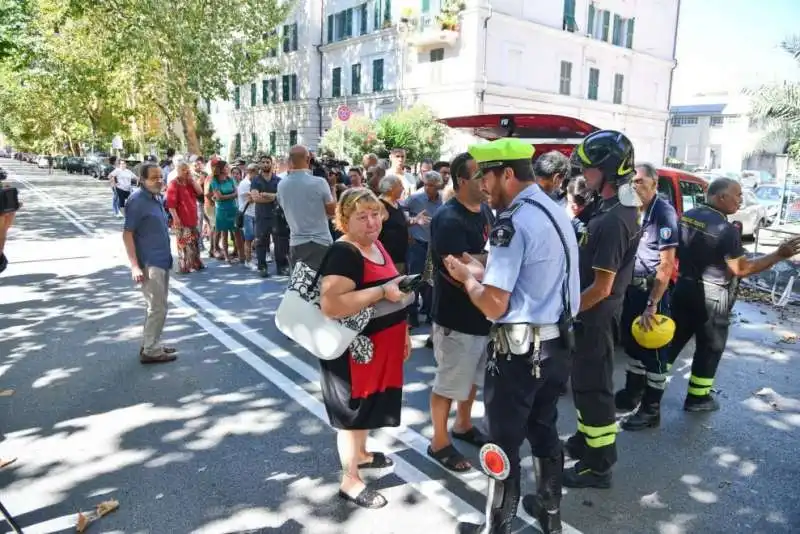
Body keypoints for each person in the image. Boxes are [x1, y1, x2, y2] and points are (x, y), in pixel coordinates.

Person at [444, 139, 579, 534]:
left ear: (505, 173)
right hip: (556, 347)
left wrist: (467, 278)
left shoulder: (512, 222)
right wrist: (483, 266)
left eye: (486, 176)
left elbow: (493, 306)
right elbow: (534, 277)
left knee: (502, 444)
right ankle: (551, 519)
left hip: (519, 355)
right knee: (544, 429)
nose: (482, 187)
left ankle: (497, 528)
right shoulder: (553, 210)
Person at [667, 178, 800, 412]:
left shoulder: (688, 215)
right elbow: (741, 269)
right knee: (710, 348)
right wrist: (779, 254)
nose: (740, 200)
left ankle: (647, 393)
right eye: (737, 195)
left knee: (672, 342)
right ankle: (698, 398)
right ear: (721, 197)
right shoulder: (725, 230)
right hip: (713, 296)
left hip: (684, 288)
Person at [318, 188, 413, 509]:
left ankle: (361, 454)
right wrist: (380, 293)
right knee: (352, 415)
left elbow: (393, 289)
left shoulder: (375, 245)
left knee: (368, 408)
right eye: (362, 216)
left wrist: (404, 333)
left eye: (375, 214)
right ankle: (350, 480)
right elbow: (331, 304)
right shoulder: (344, 253)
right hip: (354, 351)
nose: (372, 222)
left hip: (379, 346)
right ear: (345, 220)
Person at [563, 130, 642, 489]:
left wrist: (569, 310)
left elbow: (602, 287)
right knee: (583, 384)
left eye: (590, 168)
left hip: (594, 314)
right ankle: (585, 440)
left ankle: (599, 465)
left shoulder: (614, 219)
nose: (584, 174)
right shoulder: (605, 206)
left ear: (609, 170)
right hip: (589, 313)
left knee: (595, 388)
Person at [427, 152, 494, 473]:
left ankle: (463, 425)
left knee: (472, 379)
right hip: (456, 317)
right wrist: (483, 263)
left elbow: (482, 262)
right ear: (462, 180)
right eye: (480, 175)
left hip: (483, 314)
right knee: (449, 382)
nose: (487, 181)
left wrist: (480, 261)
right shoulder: (447, 218)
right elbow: (457, 269)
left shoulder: (487, 211)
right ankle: (439, 442)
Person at [613, 163, 679, 430]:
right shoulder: (631, 210)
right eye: (632, 181)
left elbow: (666, 264)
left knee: (653, 351)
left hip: (654, 292)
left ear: (654, 183)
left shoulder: (663, 213)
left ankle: (651, 410)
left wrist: (652, 304)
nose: (635, 185)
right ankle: (632, 394)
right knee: (633, 345)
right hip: (632, 289)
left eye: (640, 181)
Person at [122, 163, 178, 364]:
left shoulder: (155, 198)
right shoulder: (137, 201)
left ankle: (150, 343)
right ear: (142, 180)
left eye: (160, 176)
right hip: (149, 262)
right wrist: (134, 265)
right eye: (154, 177)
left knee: (156, 307)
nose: (159, 180)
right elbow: (127, 234)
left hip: (162, 259)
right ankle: (151, 350)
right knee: (157, 307)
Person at [277, 145, 337, 270]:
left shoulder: (282, 185)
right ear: (308, 159)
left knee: (300, 286)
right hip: (320, 242)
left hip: (296, 242)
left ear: (290, 160)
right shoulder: (319, 183)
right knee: (321, 284)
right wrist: (333, 188)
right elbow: (332, 211)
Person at [403, 171, 441, 327]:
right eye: (426, 184)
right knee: (413, 279)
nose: (428, 188)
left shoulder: (443, 201)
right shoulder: (415, 198)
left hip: (433, 244)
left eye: (431, 185)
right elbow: (402, 213)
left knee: (431, 280)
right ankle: (411, 315)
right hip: (417, 243)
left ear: (438, 186)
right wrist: (410, 227)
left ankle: (429, 312)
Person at [165, 162, 205, 273]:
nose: (186, 171)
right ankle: (184, 265)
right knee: (183, 242)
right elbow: (171, 204)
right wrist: (175, 218)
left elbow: (200, 192)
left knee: (194, 240)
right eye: (183, 169)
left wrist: (192, 179)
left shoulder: (190, 182)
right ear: (178, 171)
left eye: (187, 169)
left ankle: (196, 262)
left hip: (192, 217)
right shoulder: (173, 184)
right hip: (181, 219)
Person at [208, 160, 240, 263]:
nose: (228, 168)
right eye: (226, 167)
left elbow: (236, 193)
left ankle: (238, 253)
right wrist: (230, 196)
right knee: (224, 233)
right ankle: (226, 256)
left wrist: (223, 197)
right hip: (221, 210)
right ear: (221, 169)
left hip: (233, 208)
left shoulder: (230, 179)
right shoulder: (214, 181)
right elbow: (219, 197)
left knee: (236, 232)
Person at [377, 175, 410, 273]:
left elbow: (399, 223)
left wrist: (414, 220)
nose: (403, 188)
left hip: (400, 256)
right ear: (391, 188)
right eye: (400, 185)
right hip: (388, 258)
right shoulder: (380, 205)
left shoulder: (396, 203)